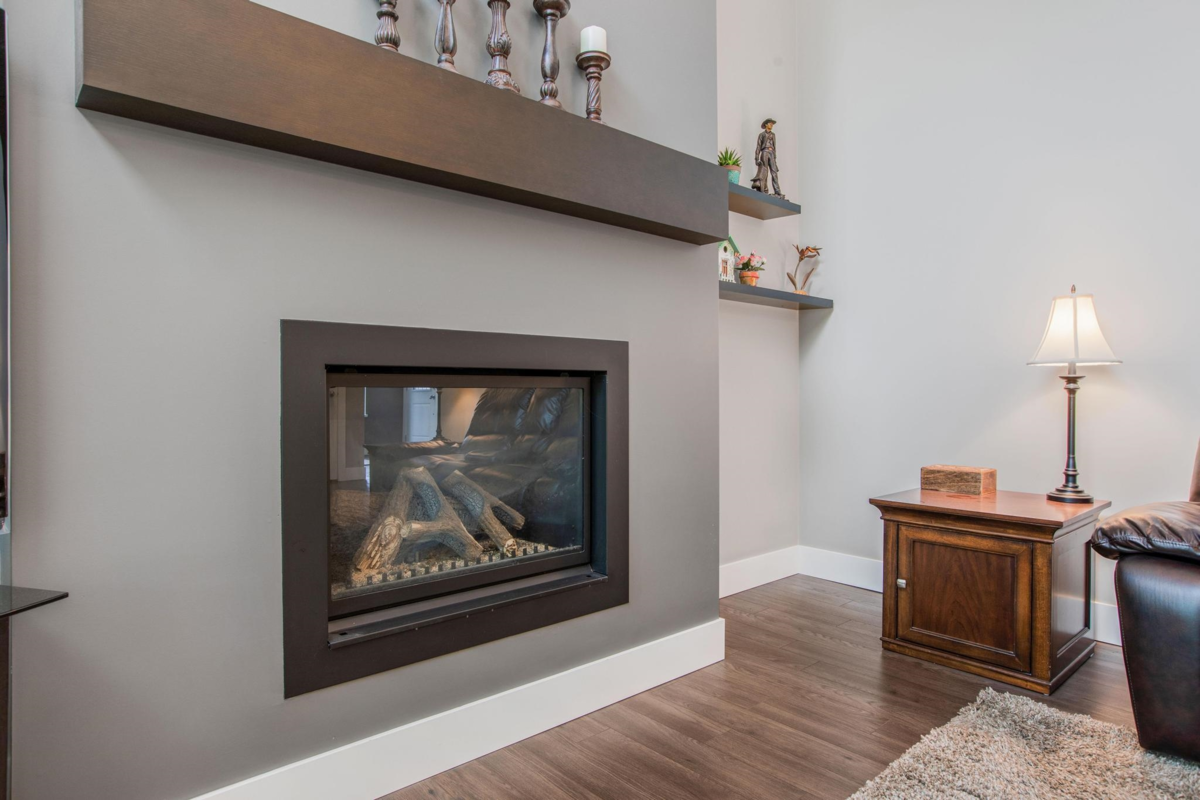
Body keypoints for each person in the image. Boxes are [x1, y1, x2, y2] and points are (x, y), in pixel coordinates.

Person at [751, 118, 783, 198]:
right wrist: (756, 158)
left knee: (774, 172)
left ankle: (778, 192)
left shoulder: (773, 135)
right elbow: (758, 147)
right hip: (764, 152)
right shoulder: (762, 135)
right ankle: (764, 190)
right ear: (766, 124)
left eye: (772, 124)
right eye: (770, 123)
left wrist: (775, 159)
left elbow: (775, 147)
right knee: (764, 172)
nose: (771, 125)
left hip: (771, 153)